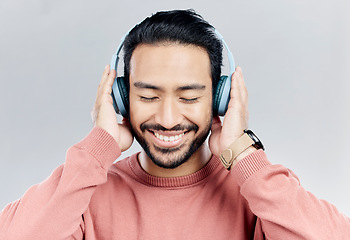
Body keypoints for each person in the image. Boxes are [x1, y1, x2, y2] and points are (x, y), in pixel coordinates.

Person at [0, 9, 349, 240]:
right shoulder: (84, 195)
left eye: (189, 97)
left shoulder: (259, 195)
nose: (167, 120)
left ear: (219, 99)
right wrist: (97, 149)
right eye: (148, 96)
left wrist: (244, 155)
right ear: (120, 97)